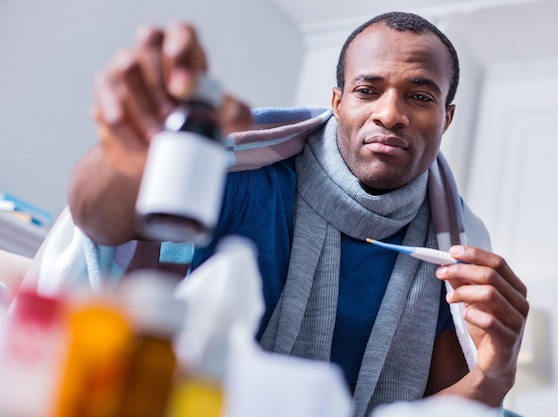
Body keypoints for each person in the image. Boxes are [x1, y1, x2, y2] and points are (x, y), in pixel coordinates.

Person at [65, 11, 528, 416]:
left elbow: (436, 412)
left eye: (420, 97)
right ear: (337, 101)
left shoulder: (455, 253)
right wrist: (129, 157)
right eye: (367, 89)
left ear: (446, 118)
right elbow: (101, 226)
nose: (390, 114)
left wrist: (495, 375)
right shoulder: (248, 173)